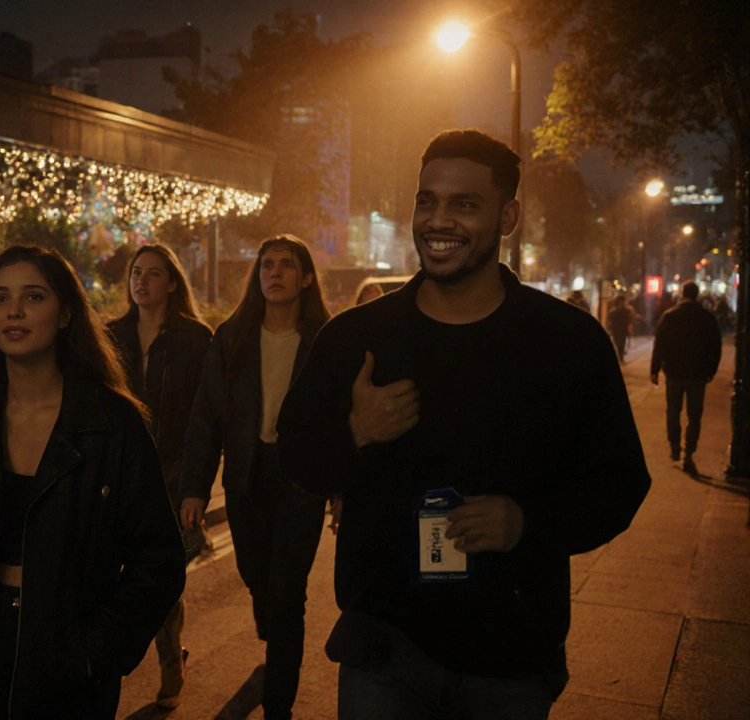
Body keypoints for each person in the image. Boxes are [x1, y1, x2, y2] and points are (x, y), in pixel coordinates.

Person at [277, 129, 651, 720]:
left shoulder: (567, 343)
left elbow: (620, 482)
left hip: (511, 654)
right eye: (427, 200)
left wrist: (525, 521)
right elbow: (295, 458)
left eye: (464, 204)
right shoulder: (356, 338)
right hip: (384, 650)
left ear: (508, 216)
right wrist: (358, 433)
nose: (438, 220)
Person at [0, 245, 186, 719]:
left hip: (66, 660)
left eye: (33, 297)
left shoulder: (111, 424)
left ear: (67, 313)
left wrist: (94, 652)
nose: (13, 310)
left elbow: (159, 560)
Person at [179, 234, 332, 720]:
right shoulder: (234, 336)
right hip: (247, 476)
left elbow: (341, 418)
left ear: (306, 277)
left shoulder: (325, 339)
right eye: (268, 264)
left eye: (288, 265)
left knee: (288, 597)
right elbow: (207, 416)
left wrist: (343, 489)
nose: (276, 272)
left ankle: (279, 703)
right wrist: (195, 489)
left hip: (301, 480)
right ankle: (278, 646)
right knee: (256, 579)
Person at [105, 243, 213, 709]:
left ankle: (170, 660)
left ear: (172, 282)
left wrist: (195, 490)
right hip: (121, 475)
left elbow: (204, 422)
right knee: (113, 576)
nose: (141, 281)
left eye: (152, 273)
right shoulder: (109, 336)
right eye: (135, 272)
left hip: (172, 475)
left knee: (162, 576)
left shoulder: (194, 339)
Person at [650, 280, 723, 474]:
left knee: (673, 411)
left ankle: (674, 448)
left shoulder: (670, 316)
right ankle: (688, 451)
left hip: (674, 372)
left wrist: (655, 369)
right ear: (697, 294)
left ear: (683, 294)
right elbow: (716, 347)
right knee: (694, 415)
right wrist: (711, 370)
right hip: (698, 374)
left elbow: (660, 344)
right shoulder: (707, 318)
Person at [607, 295, 636, 363]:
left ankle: (620, 356)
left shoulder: (613, 311)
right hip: (622, 329)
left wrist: (610, 328)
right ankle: (621, 356)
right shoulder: (627, 310)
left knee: (618, 343)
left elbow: (610, 321)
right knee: (621, 343)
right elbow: (629, 321)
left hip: (616, 330)